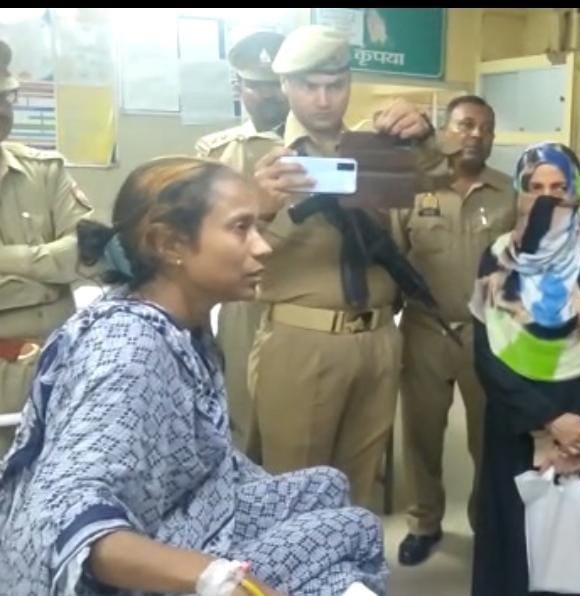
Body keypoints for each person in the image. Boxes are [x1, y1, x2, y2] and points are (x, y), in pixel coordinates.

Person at [0, 157, 387, 596]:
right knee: (354, 529)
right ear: (169, 245)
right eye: (241, 228)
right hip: (114, 574)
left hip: (179, 518)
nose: (264, 247)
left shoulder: (183, 327)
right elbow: (67, 519)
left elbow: (208, 459)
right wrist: (213, 578)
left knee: (326, 486)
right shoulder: (131, 349)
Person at [248, 25, 435, 505]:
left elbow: (445, 178)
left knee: (358, 490)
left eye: (336, 85)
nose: (324, 99)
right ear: (285, 85)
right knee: (295, 492)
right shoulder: (249, 155)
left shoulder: (378, 149)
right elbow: (215, 254)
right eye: (310, 86)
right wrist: (260, 211)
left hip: (378, 338)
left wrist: (426, 135)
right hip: (301, 340)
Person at [470, 142, 580, 596]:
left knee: (579, 548)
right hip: (515, 419)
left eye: (559, 187)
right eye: (535, 187)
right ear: (519, 193)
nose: (548, 198)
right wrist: (547, 420)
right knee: (513, 542)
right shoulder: (498, 257)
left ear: (577, 191)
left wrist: (573, 428)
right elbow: (486, 353)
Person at [392, 95, 516, 565]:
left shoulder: (508, 193)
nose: (475, 135)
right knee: (421, 434)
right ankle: (423, 522)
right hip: (426, 329)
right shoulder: (415, 188)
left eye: (486, 128)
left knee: (488, 437)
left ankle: (487, 522)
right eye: (465, 125)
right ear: (445, 130)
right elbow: (392, 255)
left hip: (489, 333)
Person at [194, 29, 288, 457]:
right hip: (245, 298)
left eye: (277, 84)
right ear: (238, 88)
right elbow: (198, 228)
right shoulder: (216, 152)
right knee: (243, 417)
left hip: (309, 295)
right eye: (258, 86)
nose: (271, 95)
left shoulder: (321, 146)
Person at [0, 39, 94, 452]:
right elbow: (66, 258)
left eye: (5, 98)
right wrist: (49, 269)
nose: (2, 110)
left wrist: (9, 261)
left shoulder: (44, 170)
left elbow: (90, 252)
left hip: (56, 367)